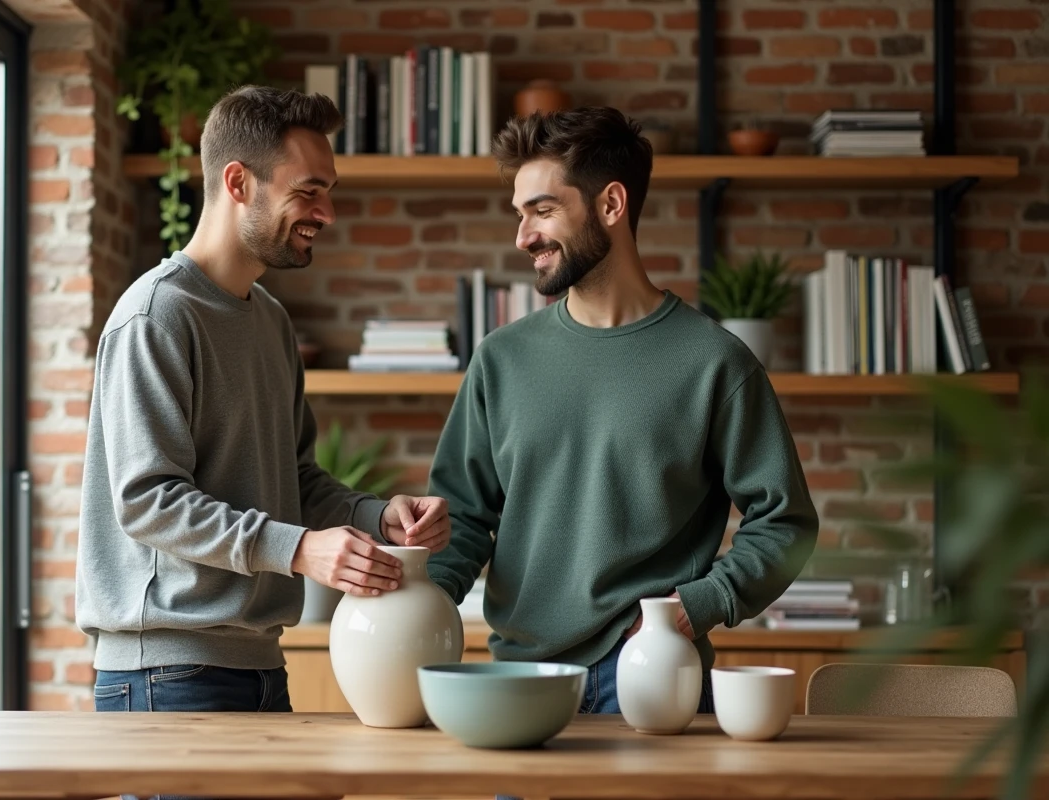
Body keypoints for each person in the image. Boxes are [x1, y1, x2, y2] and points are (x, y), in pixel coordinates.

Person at [426, 107, 819, 717]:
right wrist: (416, 604)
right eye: (520, 214)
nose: (523, 235)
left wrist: (701, 603)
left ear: (611, 205)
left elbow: (785, 521)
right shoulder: (501, 359)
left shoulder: (715, 363)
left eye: (543, 210)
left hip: (646, 673)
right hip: (518, 675)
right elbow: (464, 519)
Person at [76, 85, 451, 715]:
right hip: (166, 673)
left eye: (328, 190)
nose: (326, 212)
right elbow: (146, 501)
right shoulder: (156, 316)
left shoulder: (271, 321)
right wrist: (302, 550)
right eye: (308, 191)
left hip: (258, 663)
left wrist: (376, 517)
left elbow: (293, 480)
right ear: (238, 182)